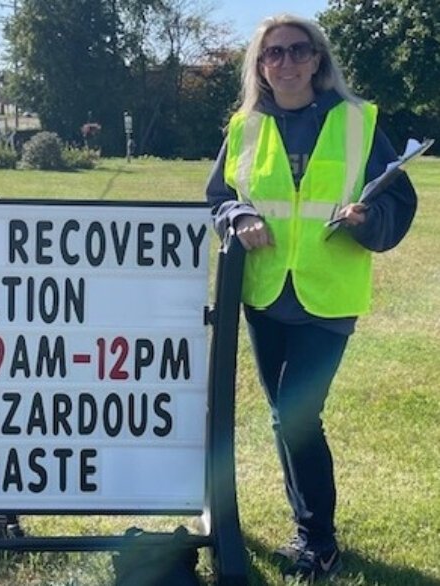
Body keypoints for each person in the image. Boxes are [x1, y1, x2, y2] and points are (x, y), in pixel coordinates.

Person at [205, 13, 417, 583]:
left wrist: (369, 217)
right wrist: (240, 213)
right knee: (285, 417)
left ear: (319, 59)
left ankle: (318, 541)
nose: (287, 62)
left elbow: (399, 201)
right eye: (273, 54)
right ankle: (309, 532)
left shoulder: (358, 122)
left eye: (299, 51)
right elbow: (220, 196)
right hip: (265, 294)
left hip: (328, 296)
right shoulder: (244, 127)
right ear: (260, 66)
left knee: (295, 417)